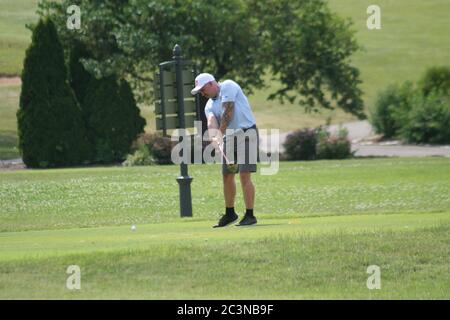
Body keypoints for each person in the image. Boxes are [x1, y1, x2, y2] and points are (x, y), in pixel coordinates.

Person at [191, 73, 259, 227]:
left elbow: (228, 112)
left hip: (246, 133)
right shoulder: (209, 104)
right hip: (228, 137)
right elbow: (211, 121)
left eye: (203, 89)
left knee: (244, 175)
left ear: (211, 83)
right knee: (227, 176)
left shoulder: (228, 86)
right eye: (200, 91)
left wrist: (219, 134)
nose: (202, 93)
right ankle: (230, 213)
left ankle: (250, 215)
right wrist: (214, 136)